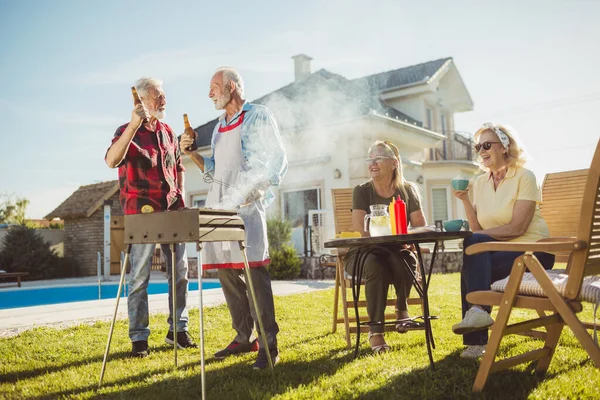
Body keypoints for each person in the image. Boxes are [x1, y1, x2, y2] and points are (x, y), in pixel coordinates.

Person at [179, 67, 287, 369]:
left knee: (254, 274)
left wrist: (262, 184)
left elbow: (277, 156)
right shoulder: (217, 128)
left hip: (248, 207)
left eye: (214, 86)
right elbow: (216, 171)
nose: (210, 93)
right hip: (221, 204)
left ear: (231, 86)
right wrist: (194, 156)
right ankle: (244, 337)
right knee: (227, 273)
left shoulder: (258, 115)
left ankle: (268, 346)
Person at [105, 77, 196, 358]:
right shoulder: (126, 131)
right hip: (141, 215)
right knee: (140, 277)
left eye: (164, 95)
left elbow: (178, 165)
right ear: (142, 100)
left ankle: (178, 331)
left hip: (172, 211)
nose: (164, 100)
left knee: (179, 274)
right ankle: (139, 338)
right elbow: (111, 160)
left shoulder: (169, 132)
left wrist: (180, 191)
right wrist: (133, 124)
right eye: (159, 96)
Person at [451, 122, 555, 359]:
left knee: (472, 257)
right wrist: (466, 200)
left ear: (505, 147)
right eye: (478, 147)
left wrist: (476, 240)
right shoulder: (480, 182)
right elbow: (478, 229)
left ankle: (476, 335)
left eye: (487, 145)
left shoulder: (525, 177)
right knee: (473, 251)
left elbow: (517, 228)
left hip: (534, 252)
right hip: (501, 253)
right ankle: (478, 316)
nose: (481, 151)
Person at [345, 140, 426, 353]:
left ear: (394, 163)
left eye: (378, 158)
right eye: (369, 159)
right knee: (375, 265)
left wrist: (402, 238)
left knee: (406, 259)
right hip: (364, 254)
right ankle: (376, 332)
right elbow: (361, 230)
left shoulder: (407, 190)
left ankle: (402, 310)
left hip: (397, 251)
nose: (372, 163)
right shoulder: (361, 191)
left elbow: (419, 226)